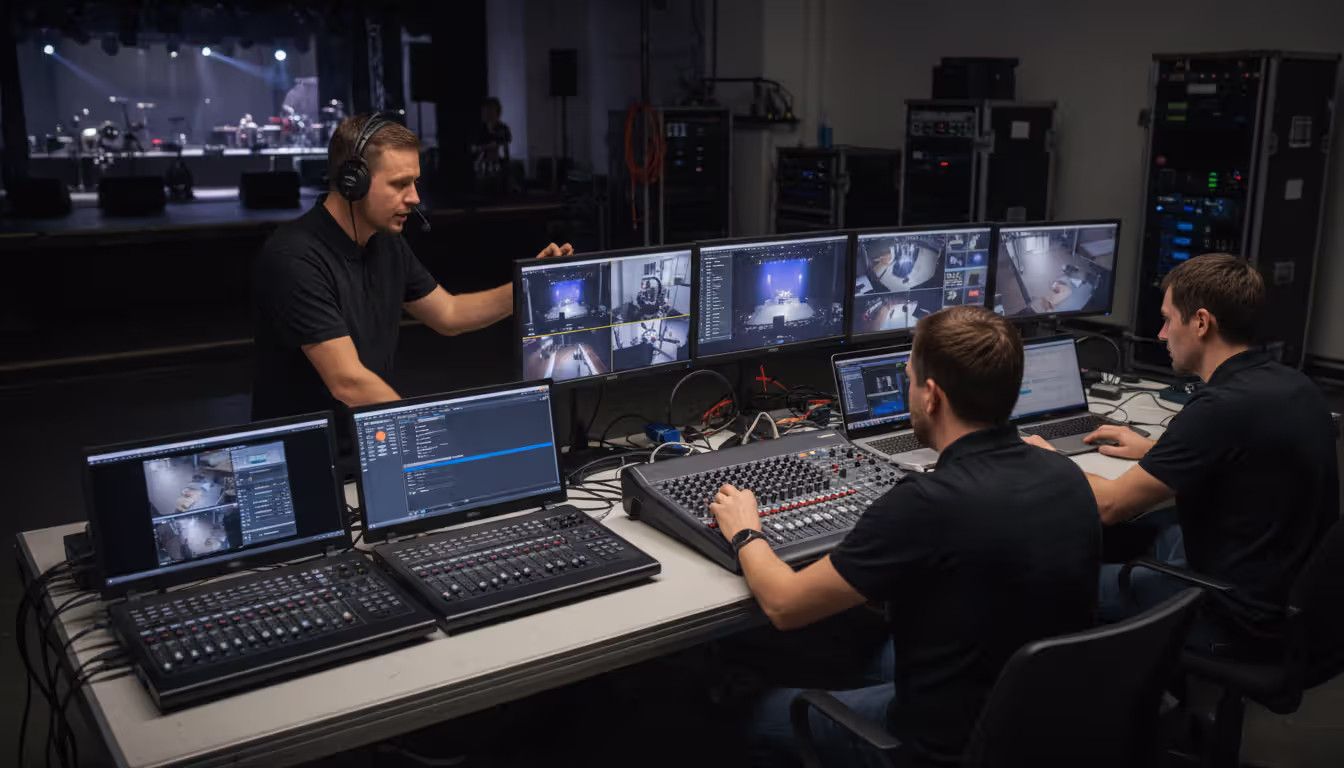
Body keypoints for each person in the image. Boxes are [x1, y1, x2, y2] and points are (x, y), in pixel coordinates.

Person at [710, 305, 1101, 766]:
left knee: (745, 710)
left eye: (910, 379)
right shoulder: (1066, 473)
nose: (909, 391)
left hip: (934, 746)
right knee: (852, 642)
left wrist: (746, 531)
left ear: (931, 396)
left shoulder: (926, 505)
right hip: (1036, 724)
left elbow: (785, 605)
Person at [1023, 253, 1339, 658]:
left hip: (1231, 614)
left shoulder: (1218, 408)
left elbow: (1108, 506)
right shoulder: (1294, 384)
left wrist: (1047, 456)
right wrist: (1155, 450)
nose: (1160, 334)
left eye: (1168, 319)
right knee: (1155, 531)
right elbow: (1247, 457)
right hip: (1279, 587)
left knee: (1046, 586)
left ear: (1202, 323)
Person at [251, 113, 571, 428]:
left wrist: (529, 284)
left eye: (414, 182)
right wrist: (422, 436)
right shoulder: (294, 256)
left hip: (368, 441)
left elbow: (449, 313)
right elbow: (347, 382)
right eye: (400, 184)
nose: (415, 197)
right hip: (308, 461)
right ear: (353, 182)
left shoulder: (385, 242)